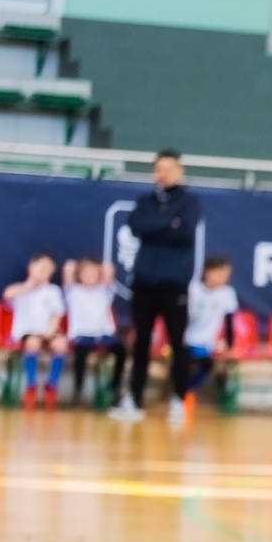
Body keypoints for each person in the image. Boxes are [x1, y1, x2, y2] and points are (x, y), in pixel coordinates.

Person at [111, 148, 202, 424]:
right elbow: (136, 226)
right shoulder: (145, 200)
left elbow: (184, 230)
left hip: (174, 284)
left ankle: (179, 398)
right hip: (144, 282)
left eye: (169, 168)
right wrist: (167, 224)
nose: (164, 173)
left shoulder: (190, 201)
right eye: (160, 168)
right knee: (140, 342)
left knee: (177, 342)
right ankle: (135, 399)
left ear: (179, 170)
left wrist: (158, 227)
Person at [3, 251, 67, 411]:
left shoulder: (53, 290)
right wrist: (30, 285)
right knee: (33, 343)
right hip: (26, 332)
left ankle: (51, 386)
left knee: (61, 344)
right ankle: (31, 385)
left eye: (49, 270)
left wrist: (50, 331)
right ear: (31, 266)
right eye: (41, 268)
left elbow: (56, 314)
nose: (44, 272)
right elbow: (7, 296)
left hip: (47, 332)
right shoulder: (19, 289)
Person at [62, 255, 127, 407]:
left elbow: (109, 269)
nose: (90, 276)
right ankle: (78, 391)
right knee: (81, 353)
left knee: (121, 351)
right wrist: (76, 266)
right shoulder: (73, 291)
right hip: (82, 335)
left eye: (93, 273)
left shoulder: (104, 291)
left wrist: (98, 268)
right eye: (86, 273)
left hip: (103, 334)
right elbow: (68, 268)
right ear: (79, 275)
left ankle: (115, 388)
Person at [183, 253, 238, 417]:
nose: (224, 277)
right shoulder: (193, 290)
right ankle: (180, 393)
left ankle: (185, 391)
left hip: (206, 344)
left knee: (206, 364)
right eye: (221, 273)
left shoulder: (227, 294)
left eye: (227, 274)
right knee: (181, 363)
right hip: (185, 341)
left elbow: (229, 321)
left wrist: (229, 345)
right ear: (208, 272)